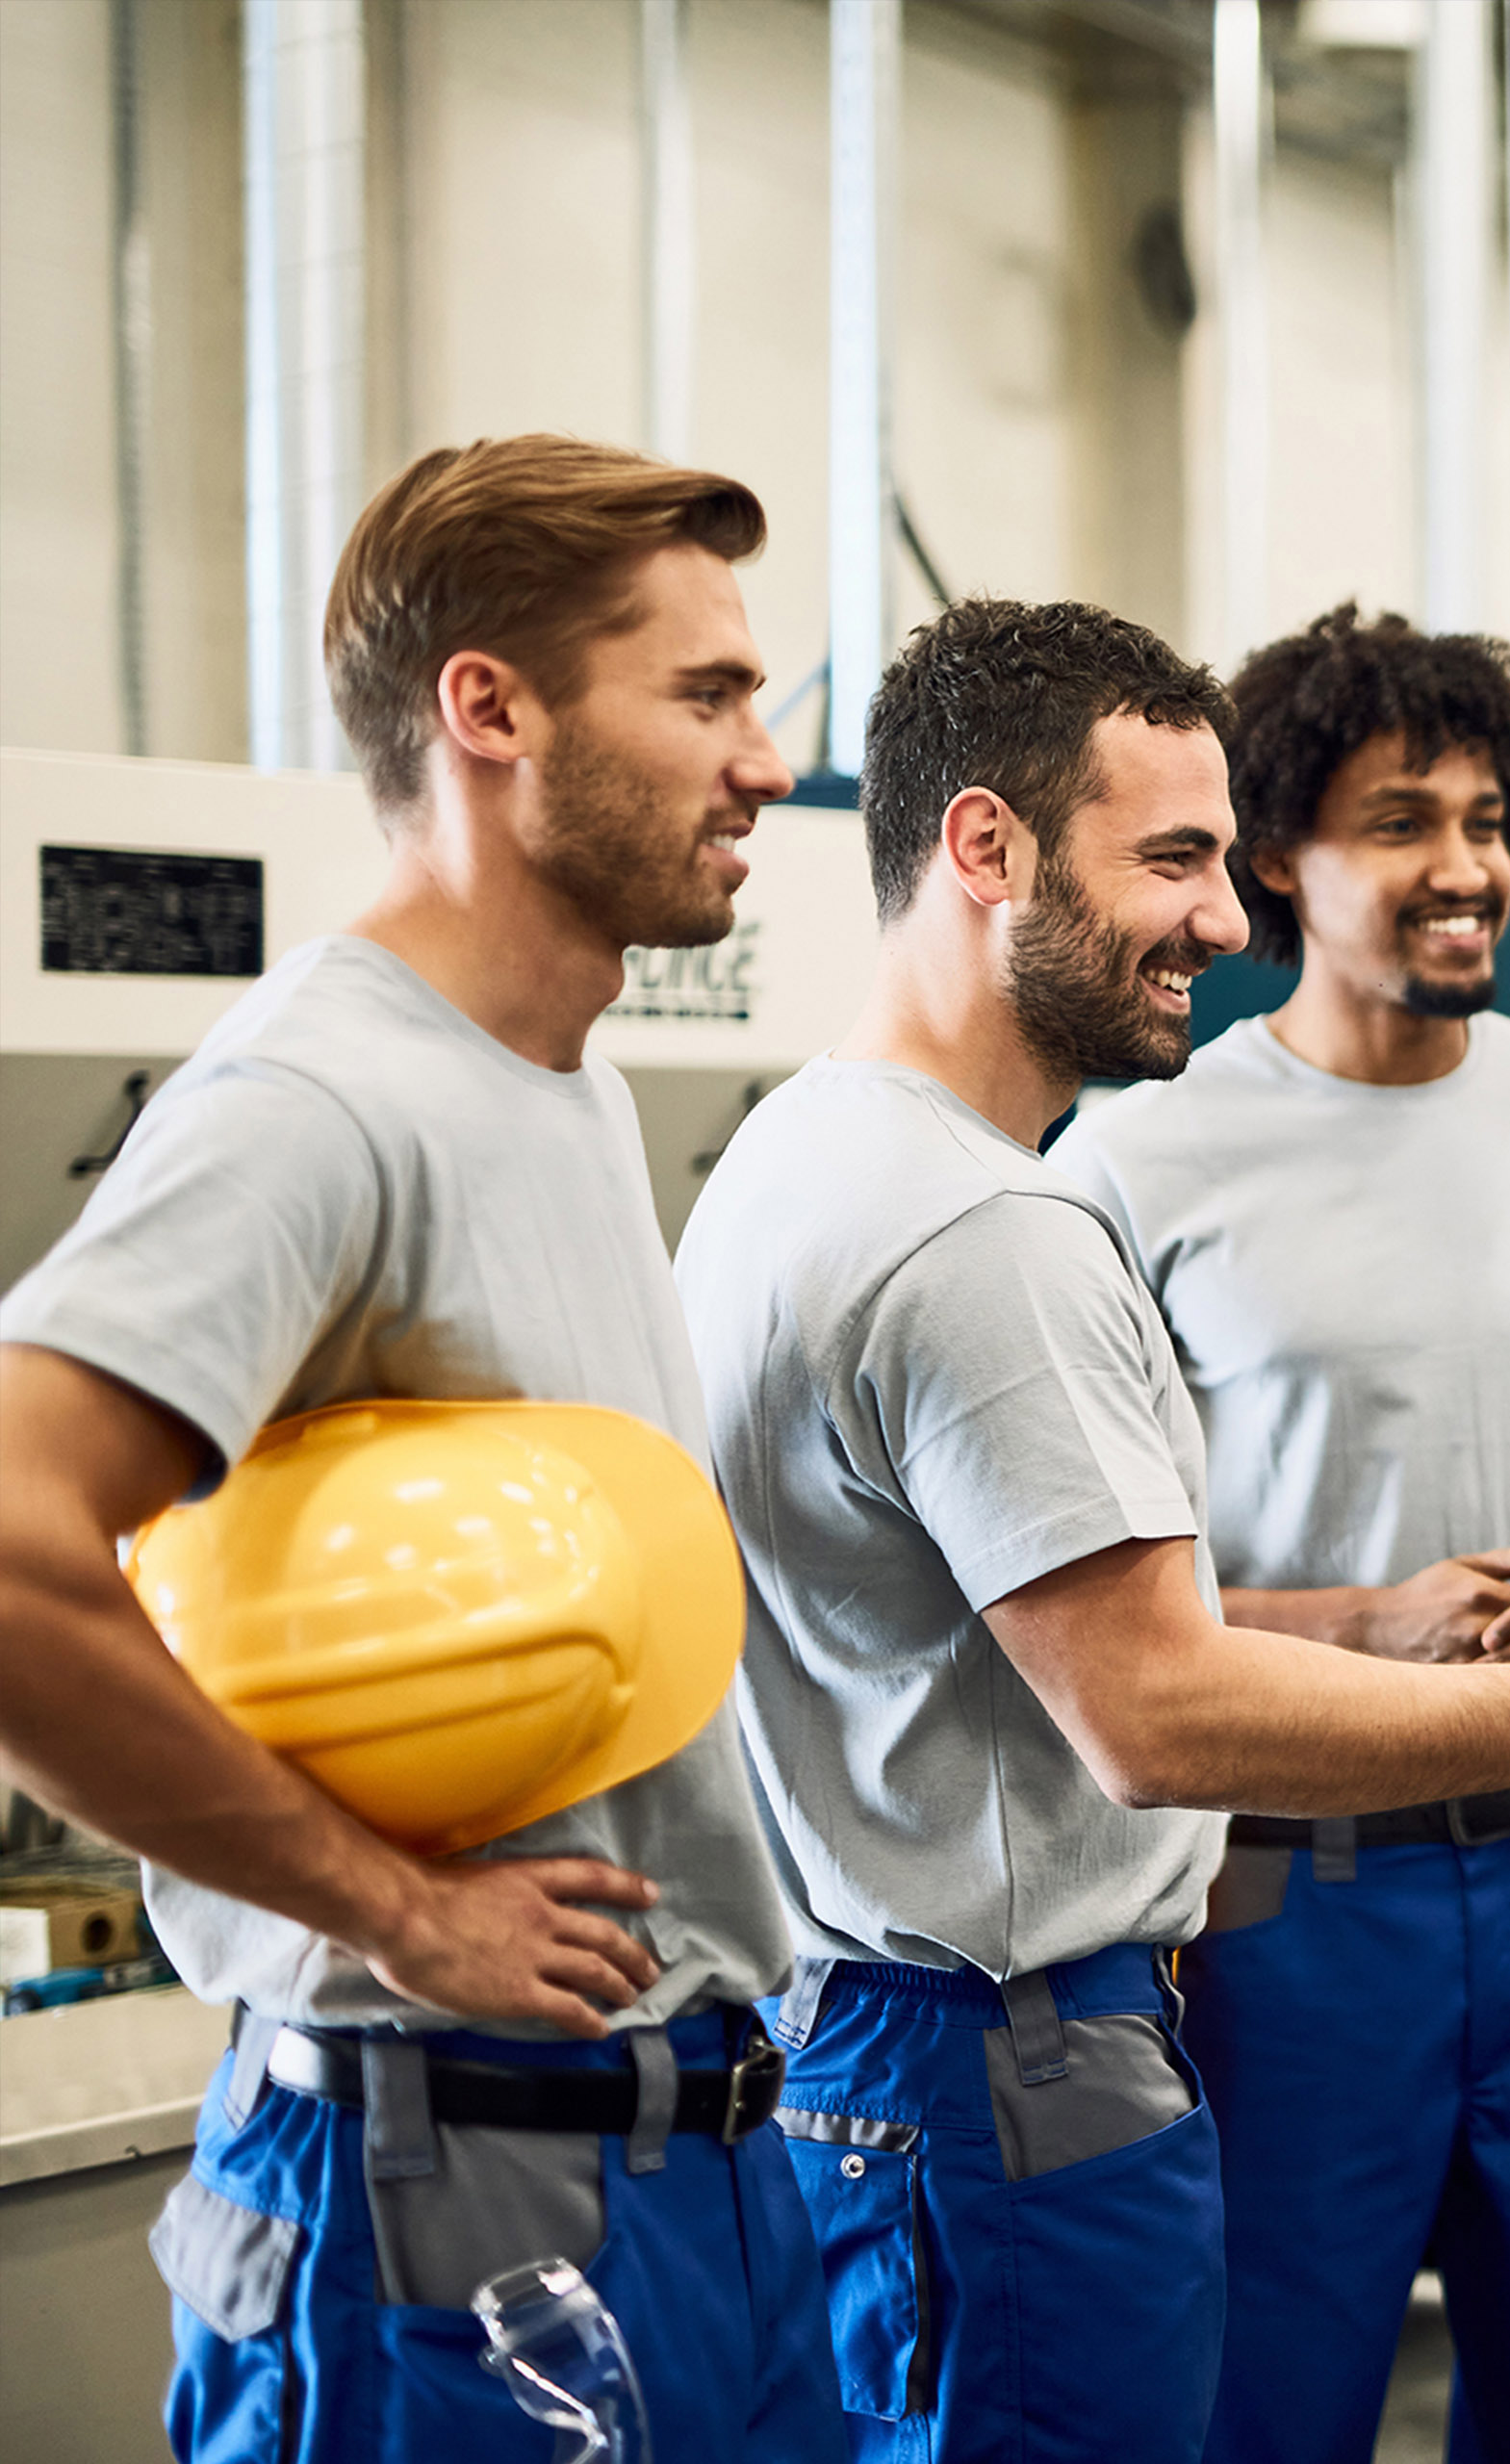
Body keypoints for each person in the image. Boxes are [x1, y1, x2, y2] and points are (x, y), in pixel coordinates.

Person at [675, 598, 1510, 2464]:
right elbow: (1145, 1684)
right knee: (1263, 2394)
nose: (1212, 917)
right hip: (1252, 1899)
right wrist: (1432, 1644)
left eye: (1486, 819)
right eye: (1188, 857)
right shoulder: (1072, 1184)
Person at [0, 438, 838, 2459]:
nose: (770, 761)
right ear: (492, 708)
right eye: (709, 695)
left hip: (701, 2163)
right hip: (446, 2198)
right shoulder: (323, 1095)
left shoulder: (552, 1081)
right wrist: (396, 1904)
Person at [1048, 603, 1510, 2464]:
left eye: (1486, 819)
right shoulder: (1139, 1152)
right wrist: (1372, 1627)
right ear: (1279, 856)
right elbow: (1075, 1610)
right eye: (1400, 823)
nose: (1465, 869)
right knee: (1267, 2405)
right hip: (1290, 1897)